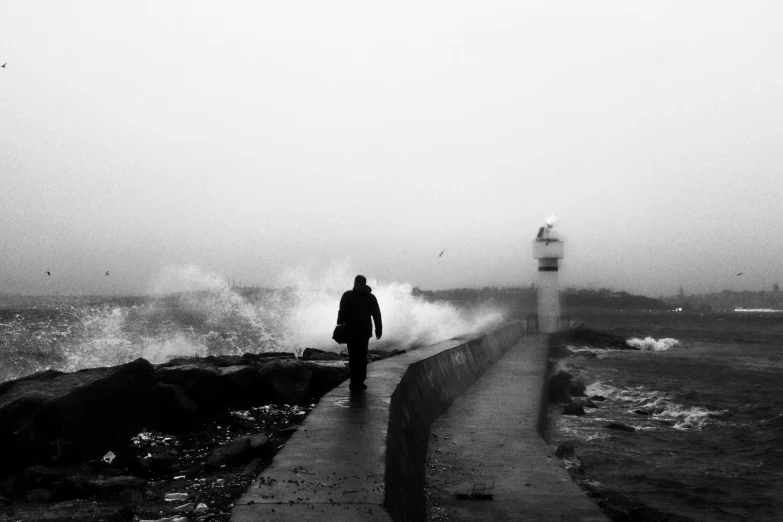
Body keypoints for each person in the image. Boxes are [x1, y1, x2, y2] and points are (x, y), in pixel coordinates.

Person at [337, 275, 382, 391]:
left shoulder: (347, 295)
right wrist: (378, 330)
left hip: (351, 331)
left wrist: (339, 323)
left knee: (353, 357)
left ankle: (353, 382)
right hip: (364, 332)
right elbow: (377, 315)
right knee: (362, 357)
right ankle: (360, 381)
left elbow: (341, 312)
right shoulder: (371, 297)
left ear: (355, 283)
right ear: (365, 283)